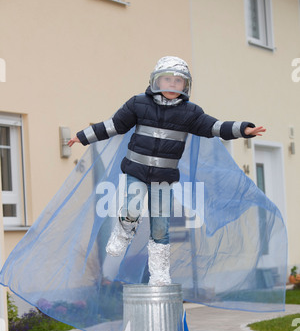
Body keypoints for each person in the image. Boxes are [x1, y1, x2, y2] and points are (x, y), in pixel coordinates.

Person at [68, 56, 265, 286]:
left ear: (186, 86)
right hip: (136, 169)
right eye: (167, 79)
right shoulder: (138, 103)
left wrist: (243, 129)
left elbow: (214, 127)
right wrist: (82, 137)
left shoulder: (191, 113)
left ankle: (160, 273)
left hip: (163, 178)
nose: (172, 85)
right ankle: (123, 232)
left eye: (178, 81)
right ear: (156, 81)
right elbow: (114, 125)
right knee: (132, 207)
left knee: (161, 227)